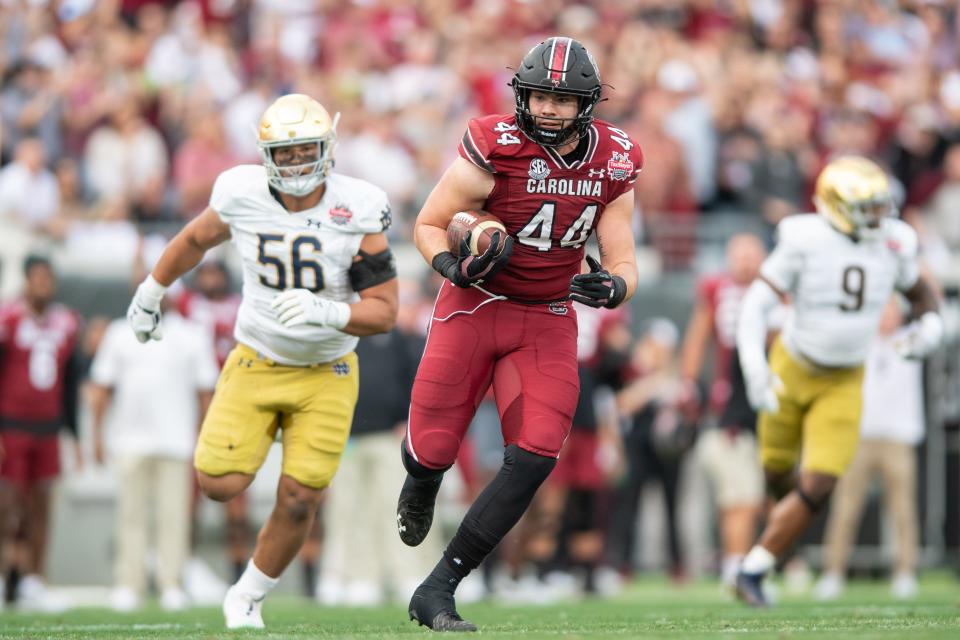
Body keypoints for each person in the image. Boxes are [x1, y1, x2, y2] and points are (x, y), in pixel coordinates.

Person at [395, 37, 643, 631]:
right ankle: (423, 479)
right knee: (433, 445)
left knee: (534, 455)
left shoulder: (614, 157)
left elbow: (624, 259)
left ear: (587, 102)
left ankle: (440, 586)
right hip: (473, 304)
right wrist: (450, 266)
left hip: (547, 315)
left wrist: (615, 288)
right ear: (522, 95)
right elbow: (429, 223)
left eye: (563, 98)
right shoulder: (493, 143)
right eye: (540, 96)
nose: (551, 108)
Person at [125, 94, 398, 629]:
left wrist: (328, 311)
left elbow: (385, 312)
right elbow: (194, 239)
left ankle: (247, 594)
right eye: (285, 152)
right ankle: (266, 426)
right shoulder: (240, 191)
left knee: (299, 498)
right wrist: (151, 291)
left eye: (306, 151)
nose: (296, 163)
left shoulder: (358, 206)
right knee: (218, 483)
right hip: (258, 355)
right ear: (266, 153)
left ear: (328, 148)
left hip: (329, 369)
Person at [734, 156, 943, 607]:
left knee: (823, 481)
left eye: (880, 206)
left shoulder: (895, 241)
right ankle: (770, 548)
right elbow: (755, 306)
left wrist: (930, 328)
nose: (878, 217)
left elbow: (923, 295)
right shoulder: (803, 237)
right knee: (777, 473)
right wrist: (756, 370)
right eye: (867, 208)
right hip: (793, 364)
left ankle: (754, 568)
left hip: (845, 375)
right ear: (836, 206)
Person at [89, 300, 219, 612]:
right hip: (130, 440)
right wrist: (96, 435)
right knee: (130, 516)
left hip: (176, 442)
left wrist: (207, 439)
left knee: (174, 517)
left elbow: (206, 393)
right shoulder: (120, 331)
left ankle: (171, 583)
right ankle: (128, 584)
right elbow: (102, 387)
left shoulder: (192, 334)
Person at [815, 299, 926, 601]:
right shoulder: (858, 343)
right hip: (860, 436)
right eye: (882, 311)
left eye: (892, 312)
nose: (886, 318)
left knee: (902, 509)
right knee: (846, 508)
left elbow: (934, 314)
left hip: (898, 437)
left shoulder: (911, 340)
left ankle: (905, 573)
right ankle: (833, 572)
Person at [680, 234, 768, 588]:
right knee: (739, 493)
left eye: (752, 254)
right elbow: (697, 338)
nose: (746, 261)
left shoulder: (777, 287)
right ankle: (737, 564)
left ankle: (755, 561)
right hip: (731, 403)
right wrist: (688, 382)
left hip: (771, 401)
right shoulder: (717, 289)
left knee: (764, 493)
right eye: (740, 254)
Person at [0, 256, 80, 612]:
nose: (43, 285)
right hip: (11, 426)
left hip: (47, 428)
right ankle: (5, 578)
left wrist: (73, 434)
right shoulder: (9, 318)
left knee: (41, 508)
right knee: (6, 506)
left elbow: (72, 383)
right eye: (38, 279)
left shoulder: (67, 321)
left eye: (49, 278)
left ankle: (34, 579)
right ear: (26, 281)